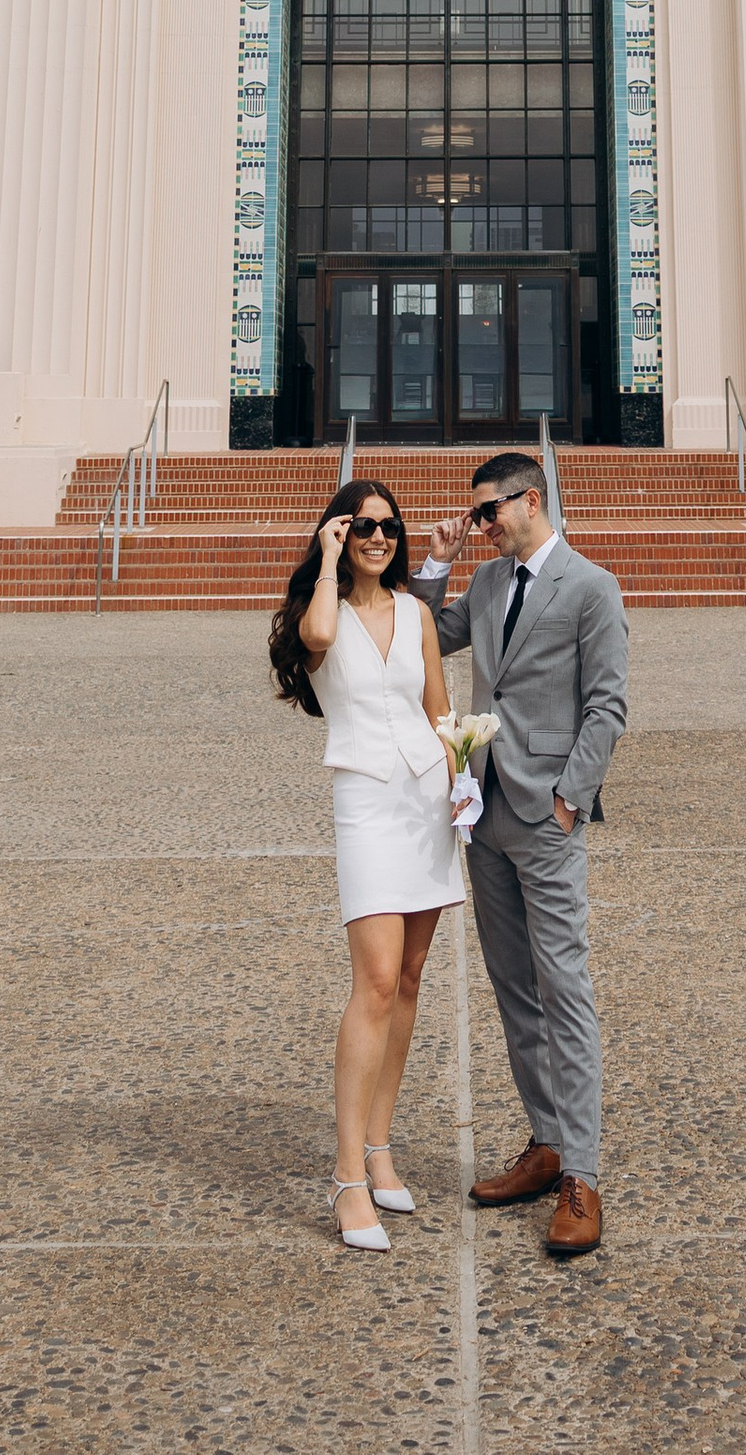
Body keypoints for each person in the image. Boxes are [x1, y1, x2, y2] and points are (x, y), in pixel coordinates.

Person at [410, 449, 627, 1261]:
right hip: (483, 811)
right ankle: (543, 1140)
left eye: (486, 513)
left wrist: (570, 798)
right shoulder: (491, 582)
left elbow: (608, 703)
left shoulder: (591, 587)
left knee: (564, 986)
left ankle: (581, 1172)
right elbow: (423, 632)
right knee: (513, 987)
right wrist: (438, 557)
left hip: (546, 815)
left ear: (528, 501)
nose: (479, 525)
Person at [268, 476, 461, 1253]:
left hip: (425, 804)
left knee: (410, 978)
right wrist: (326, 558)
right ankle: (349, 1175)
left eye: (388, 528)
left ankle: (381, 1146)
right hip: (366, 805)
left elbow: (440, 711)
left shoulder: (417, 613)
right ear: (340, 534)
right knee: (374, 980)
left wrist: (463, 788)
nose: (378, 538)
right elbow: (316, 638)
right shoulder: (321, 614)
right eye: (362, 527)